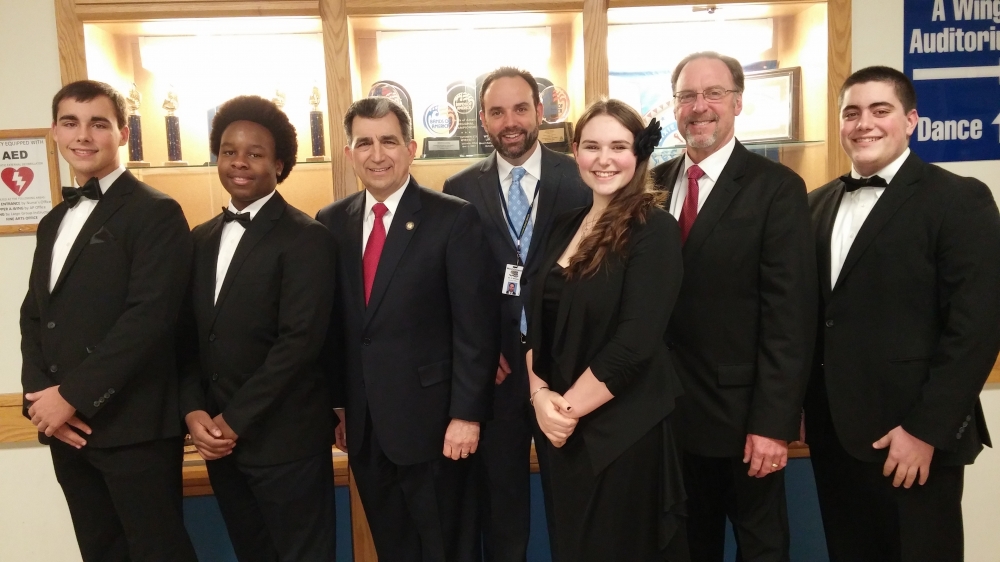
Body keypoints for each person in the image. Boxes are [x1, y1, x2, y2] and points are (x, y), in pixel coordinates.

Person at [805, 65, 1000, 562]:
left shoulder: (959, 199)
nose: (863, 123)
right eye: (852, 112)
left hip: (912, 441)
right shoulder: (814, 205)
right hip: (834, 437)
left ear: (911, 120)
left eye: (880, 110)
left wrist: (925, 432)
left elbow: (976, 328)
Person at [20, 80, 197, 562]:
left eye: (98, 123)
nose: (84, 135)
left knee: (158, 553)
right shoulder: (53, 220)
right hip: (64, 428)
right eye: (71, 122)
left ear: (121, 132)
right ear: (55, 131)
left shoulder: (157, 212)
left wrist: (72, 397)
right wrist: (42, 402)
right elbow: (35, 315)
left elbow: (150, 319)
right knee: (99, 552)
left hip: (134, 427)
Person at [651, 52, 816, 562]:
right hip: (667, 417)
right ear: (674, 106)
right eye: (687, 96)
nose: (699, 107)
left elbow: (790, 318)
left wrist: (773, 424)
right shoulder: (652, 184)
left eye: (713, 94)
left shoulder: (777, 188)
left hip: (744, 420)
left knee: (761, 549)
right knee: (683, 547)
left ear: (738, 102)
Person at [316, 97, 497, 562]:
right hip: (364, 425)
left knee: (445, 548)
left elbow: (475, 330)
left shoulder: (452, 218)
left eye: (389, 141)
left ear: (411, 147)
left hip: (436, 426)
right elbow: (336, 326)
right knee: (393, 547)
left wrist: (467, 416)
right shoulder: (332, 222)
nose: (377, 154)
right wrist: (338, 404)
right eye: (365, 142)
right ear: (350, 151)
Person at [526, 98, 687, 561]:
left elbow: (635, 345)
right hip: (559, 430)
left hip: (622, 433)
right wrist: (539, 397)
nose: (604, 159)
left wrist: (566, 410)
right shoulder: (563, 225)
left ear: (637, 154)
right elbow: (536, 322)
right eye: (592, 146)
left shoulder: (654, 230)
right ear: (575, 151)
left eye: (618, 146)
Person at [178, 95, 337, 562]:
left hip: (286, 443)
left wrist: (233, 420)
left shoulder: (308, 238)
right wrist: (194, 414)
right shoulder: (199, 238)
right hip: (219, 446)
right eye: (229, 151)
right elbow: (185, 338)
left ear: (279, 163)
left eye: (255, 153)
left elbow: (299, 344)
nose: (239, 163)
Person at [442, 66, 590, 562]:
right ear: (482, 118)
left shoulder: (583, 178)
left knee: (575, 506)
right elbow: (457, 289)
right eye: (498, 111)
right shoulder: (458, 187)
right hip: (498, 377)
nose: (511, 121)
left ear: (540, 112)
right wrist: (483, 358)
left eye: (521, 108)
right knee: (502, 514)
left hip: (567, 375)